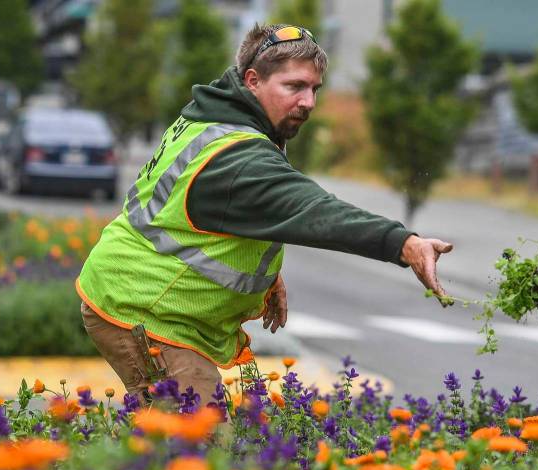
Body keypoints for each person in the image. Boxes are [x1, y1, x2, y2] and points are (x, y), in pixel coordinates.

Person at [76, 23, 453, 404]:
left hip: (136, 295)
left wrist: (267, 277)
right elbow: (314, 210)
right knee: (196, 445)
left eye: (314, 89)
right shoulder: (239, 155)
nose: (308, 102)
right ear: (253, 80)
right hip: (144, 311)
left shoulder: (217, 117)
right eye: (294, 87)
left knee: (177, 444)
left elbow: (210, 217)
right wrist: (403, 243)